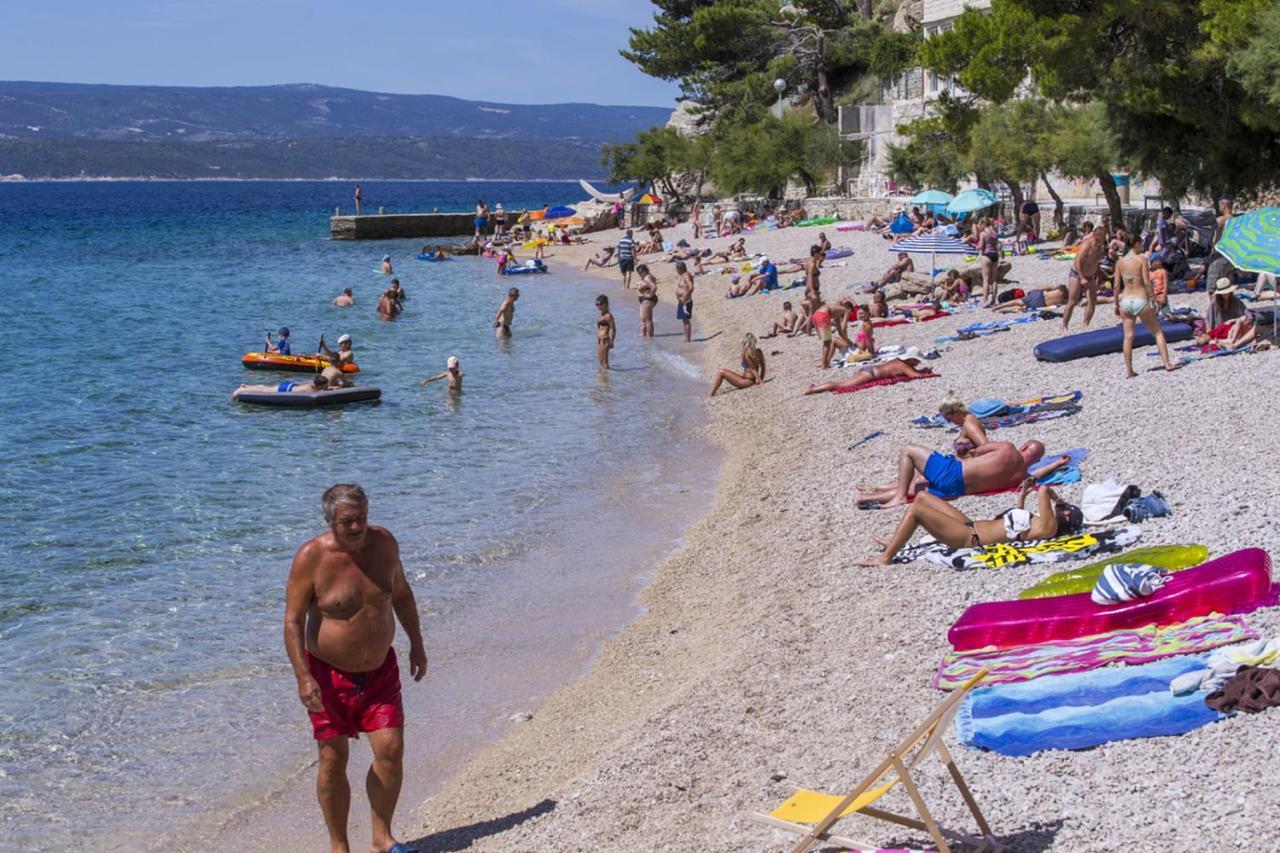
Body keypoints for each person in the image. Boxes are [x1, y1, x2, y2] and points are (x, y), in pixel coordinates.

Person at [283, 485, 427, 853]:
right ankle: (339, 845)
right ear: (330, 520)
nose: (357, 526)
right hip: (329, 676)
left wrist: (417, 644)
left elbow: (402, 595)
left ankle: (382, 838)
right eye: (347, 521)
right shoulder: (310, 558)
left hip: (380, 671)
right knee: (332, 758)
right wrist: (303, 677)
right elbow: (293, 622)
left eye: (361, 516)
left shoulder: (384, 544)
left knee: (391, 748)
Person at [856, 481, 1082, 566]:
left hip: (969, 538)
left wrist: (1057, 498)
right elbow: (1016, 523)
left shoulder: (1048, 528)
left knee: (916, 509)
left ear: (1065, 520)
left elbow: (1043, 490)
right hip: (969, 525)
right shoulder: (1039, 524)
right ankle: (898, 541)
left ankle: (886, 558)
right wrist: (1022, 495)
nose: (1059, 509)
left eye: (1063, 510)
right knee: (923, 497)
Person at [853, 440, 1054, 509]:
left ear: (1025, 446)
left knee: (908, 450)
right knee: (918, 487)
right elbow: (1036, 477)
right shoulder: (1021, 477)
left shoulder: (1008, 449)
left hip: (954, 473)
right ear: (1035, 460)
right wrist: (1056, 465)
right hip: (958, 490)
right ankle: (868, 497)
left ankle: (899, 496)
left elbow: (976, 451)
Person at [1114, 232, 1176, 377]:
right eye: (1140, 243)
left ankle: (1129, 371)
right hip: (1140, 298)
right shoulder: (1141, 259)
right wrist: (1154, 299)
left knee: (1128, 336)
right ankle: (1167, 363)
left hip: (1126, 300)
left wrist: (1116, 304)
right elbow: (1147, 283)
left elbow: (1116, 286)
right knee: (1157, 332)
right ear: (1135, 243)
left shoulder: (1120, 262)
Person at [1062, 221, 1108, 330]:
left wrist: (1099, 276)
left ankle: (1085, 324)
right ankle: (1064, 325)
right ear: (1096, 235)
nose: (1103, 238)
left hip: (1091, 275)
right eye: (1102, 236)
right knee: (1072, 301)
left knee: (1092, 301)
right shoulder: (1087, 245)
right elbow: (1077, 261)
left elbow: (1096, 262)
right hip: (1077, 274)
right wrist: (1082, 277)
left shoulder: (1101, 247)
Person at [803, 356, 932, 396]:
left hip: (868, 370)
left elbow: (912, 371)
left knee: (842, 382)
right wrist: (925, 373)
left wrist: (920, 369)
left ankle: (816, 387)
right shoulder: (904, 366)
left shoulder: (898, 361)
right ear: (910, 359)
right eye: (916, 360)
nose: (918, 362)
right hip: (870, 374)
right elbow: (915, 376)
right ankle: (813, 389)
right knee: (840, 385)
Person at [1199, 278, 1257, 351]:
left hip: (1234, 329)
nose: (1226, 294)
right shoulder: (1215, 304)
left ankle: (1228, 341)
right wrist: (1211, 334)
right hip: (1222, 330)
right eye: (1224, 292)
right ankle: (1226, 341)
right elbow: (1208, 322)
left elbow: (1248, 316)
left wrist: (1236, 321)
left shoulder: (1236, 301)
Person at [708, 333, 766, 397]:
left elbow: (752, 368)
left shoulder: (746, 353)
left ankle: (710, 395)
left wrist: (760, 381)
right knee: (722, 371)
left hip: (747, 381)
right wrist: (760, 378)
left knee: (721, 372)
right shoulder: (759, 351)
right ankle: (711, 394)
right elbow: (763, 367)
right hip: (748, 379)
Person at [938, 392, 989, 457]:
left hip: (972, 465)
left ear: (956, 412)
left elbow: (986, 447)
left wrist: (969, 455)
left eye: (949, 419)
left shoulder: (969, 425)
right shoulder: (970, 418)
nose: (951, 422)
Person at [233, 374, 330, 398]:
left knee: (265, 388)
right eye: (325, 386)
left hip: (290, 385)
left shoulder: (312, 385)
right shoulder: (310, 389)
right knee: (264, 391)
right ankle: (241, 390)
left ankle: (247, 386)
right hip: (286, 388)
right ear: (320, 386)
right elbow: (315, 394)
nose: (326, 387)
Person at [994, 285, 1069, 313]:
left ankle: (1001, 306)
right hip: (1041, 304)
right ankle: (1004, 309)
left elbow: (1049, 287)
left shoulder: (1062, 288)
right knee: (1022, 307)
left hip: (1038, 296)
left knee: (1019, 302)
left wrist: (1033, 290)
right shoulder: (1066, 299)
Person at [977, 218, 1000, 307]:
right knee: (994, 280)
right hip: (995, 255)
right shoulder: (994, 233)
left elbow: (981, 246)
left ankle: (985, 301)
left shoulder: (983, 233)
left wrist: (974, 246)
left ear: (983, 224)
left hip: (986, 255)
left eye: (980, 224)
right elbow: (996, 245)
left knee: (986, 280)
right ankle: (994, 300)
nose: (979, 226)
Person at [635, 265, 658, 338]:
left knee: (648, 320)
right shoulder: (646, 277)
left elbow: (654, 287)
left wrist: (650, 295)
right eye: (638, 272)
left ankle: (650, 337)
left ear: (645, 270)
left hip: (647, 300)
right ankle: (644, 338)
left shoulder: (647, 277)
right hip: (644, 300)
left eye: (641, 271)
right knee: (643, 320)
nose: (639, 273)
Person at [675, 261, 695, 342]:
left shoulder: (686, 275)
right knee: (684, 320)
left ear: (679, 269)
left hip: (685, 301)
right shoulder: (682, 275)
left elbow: (691, 287)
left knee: (686, 320)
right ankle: (686, 337)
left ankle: (688, 338)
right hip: (682, 301)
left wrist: (685, 297)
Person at [595, 295, 616, 369]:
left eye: (600, 304)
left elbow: (613, 329)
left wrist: (612, 341)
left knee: (604, 361)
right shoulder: (600, 315)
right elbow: (599, 328)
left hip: (605, 340)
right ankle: (603, 377)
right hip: (600, 340)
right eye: (597, 304)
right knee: (600, 361)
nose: (599, 306)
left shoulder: (608, 316)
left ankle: (607, 379)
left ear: (606, 304)